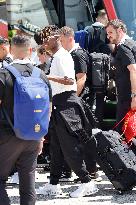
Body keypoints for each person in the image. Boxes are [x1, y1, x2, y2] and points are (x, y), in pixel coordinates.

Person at [36, 25, 98, 198]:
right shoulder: (57, 56)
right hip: (60, 104)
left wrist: (46, 76)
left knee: (70, 147)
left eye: (46, 39)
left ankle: (87, 182)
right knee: (56, 147)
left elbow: (70, 80)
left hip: (66, 105)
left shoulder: (61, 57)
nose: (44, 44)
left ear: (56, 38)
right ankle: (53, 184)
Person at [0, 35, 52, 205]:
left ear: (11, 50)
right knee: (28, 182)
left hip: (8, 135)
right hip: (34, 136)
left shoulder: (4, 74)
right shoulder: (41, 75)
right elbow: (48, 108)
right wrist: (42, 136)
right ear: (30, 50)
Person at [60, 26, 101, 181]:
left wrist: (72, 98)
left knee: (85, 136)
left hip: (82, 100)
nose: (60, 43)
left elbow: (81, 79)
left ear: (70, 38)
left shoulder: (77, 54)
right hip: (78, 100)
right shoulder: (71, 54)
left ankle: (91, 171)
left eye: (62, 40)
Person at [106, 19, 136, 134]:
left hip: (127, 98)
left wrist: (134, 96)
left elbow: (133, 70)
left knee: (122, 131)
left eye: (110, 32)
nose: (108, 36)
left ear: (119, 30)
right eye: (107, 33)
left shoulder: (124, 47)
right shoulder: (131, 43)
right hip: (127, 96)